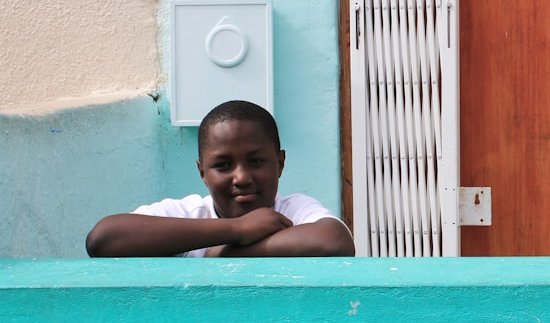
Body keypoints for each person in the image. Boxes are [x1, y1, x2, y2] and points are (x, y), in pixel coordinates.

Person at [86, 100, 355, 257]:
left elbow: (335, 241)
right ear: (202, 172)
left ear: (280, 163)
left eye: (257, 161)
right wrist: (238, 230)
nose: (241, 177)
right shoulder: (189, 215)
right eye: (223, 165)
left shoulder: (292, 212)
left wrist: (224, 253)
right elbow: (103, 239)